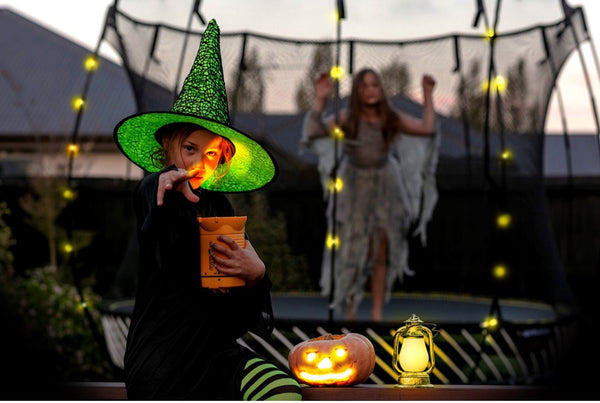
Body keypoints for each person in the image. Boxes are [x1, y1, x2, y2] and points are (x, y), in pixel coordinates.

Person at [113, 20, 301, 400]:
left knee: (283, 389)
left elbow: (233, 313)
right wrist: (162, 183)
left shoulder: (219, 207)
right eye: (190, 149)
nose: (201, 161)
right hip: (162, 361)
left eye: (213, 154)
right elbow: (153, 203)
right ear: (167, 147)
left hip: (214, 354)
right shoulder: (156, 190)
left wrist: (255, 275)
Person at [302, 68, 438, 321]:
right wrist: (320, 99)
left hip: (385, 187)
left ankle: (376, 313)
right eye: (364, 86)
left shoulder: (390, 118)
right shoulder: (348, 117)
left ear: (380, 89)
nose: (370, 90)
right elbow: (314, 132)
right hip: (354, 188)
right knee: (353, 252)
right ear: (357, 91)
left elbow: (426, 129)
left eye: (375, 85)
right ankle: (351, 311)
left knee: (379, 253)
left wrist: (428, 95)